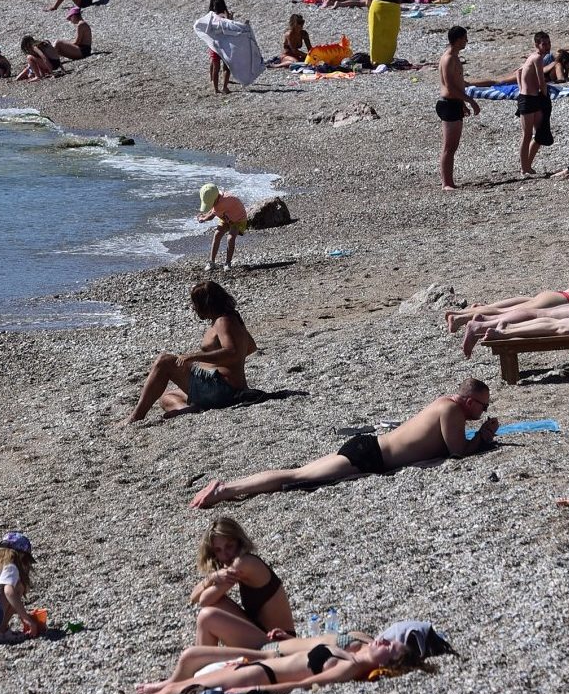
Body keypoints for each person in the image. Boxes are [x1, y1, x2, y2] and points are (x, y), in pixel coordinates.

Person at [190, 380, 500, 508]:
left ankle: (228, 487)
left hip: (369, 448)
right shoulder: (452, 410)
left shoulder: (446, 404)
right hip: (370, 456)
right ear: (469, 401)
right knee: (296, 477)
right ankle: (226, 490)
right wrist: (482, 438)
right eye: (482, 406)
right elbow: (458, 452)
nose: (482, 411)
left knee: (298, 473)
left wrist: (479, 437)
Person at [56, 635, 412, 694]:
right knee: (176, 686)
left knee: (176, 690)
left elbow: (303, 685)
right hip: (260, 664)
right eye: (387, 638)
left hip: (263, 675)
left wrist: (256, 689)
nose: (383, 641)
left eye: (389, 647)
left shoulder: (349, 668)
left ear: (389, 663)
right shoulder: (352, 651)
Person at [130, 282, 257, 421]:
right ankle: (190, 409)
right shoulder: (233, 318)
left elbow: (232, 352)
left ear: (206, 303)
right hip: (231, 388)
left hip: (222, 389)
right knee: (167, 397)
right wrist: (216, 365)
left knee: (164, 361)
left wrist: (196, 356)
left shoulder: (223, 321)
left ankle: (136, 416)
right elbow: (250, 347)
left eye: (195, 303)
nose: (193, 307)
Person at [189, 516, 294, 648]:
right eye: (218, 550)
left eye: (229, 546)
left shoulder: (244, 563)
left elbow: (204, 600)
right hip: (265, 635)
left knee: (207, 616)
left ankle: (202, 659)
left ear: (239, 542)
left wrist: (213, 578)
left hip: (280, 643)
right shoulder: (237, 562)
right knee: (216, 603)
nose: (225, 554)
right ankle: (202, 659)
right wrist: (211, 578)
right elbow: (193, 597)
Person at [437, 25, 478, 190]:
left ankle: (449, 181)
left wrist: (462, 104)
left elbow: (457, 84)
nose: (466, 41)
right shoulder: (448, 59)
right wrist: (470, 101)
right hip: (447, 104)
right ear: (457, 40)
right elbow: (450, 87)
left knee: (453, 146)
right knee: (449, 146)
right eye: (464, 38)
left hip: (454, 103)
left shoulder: (455, 57)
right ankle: (446, 183)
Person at [514, 36, 551, 176]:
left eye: (549, 43)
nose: (547, 46)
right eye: (544, 44)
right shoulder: (537, 58)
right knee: (527, 135)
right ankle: (524, 168)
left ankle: (527, 165)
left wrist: (521, 88)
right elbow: (541, 82)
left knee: (540, 133)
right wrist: (545, 97)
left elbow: (518, 71)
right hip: (528, 100)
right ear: (537, 44)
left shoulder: (534, 57)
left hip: (533, 98)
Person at [196, 183, 249, 269]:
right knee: (217, 235)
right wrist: (205, 214)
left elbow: (211, 216)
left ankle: (228, 263)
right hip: (226, 217)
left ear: (215, 198)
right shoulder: (218, 197)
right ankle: (211, 262)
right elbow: (213, 209)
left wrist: (202, 219)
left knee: (230, 238)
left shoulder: (223, 204)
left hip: (238, 219)